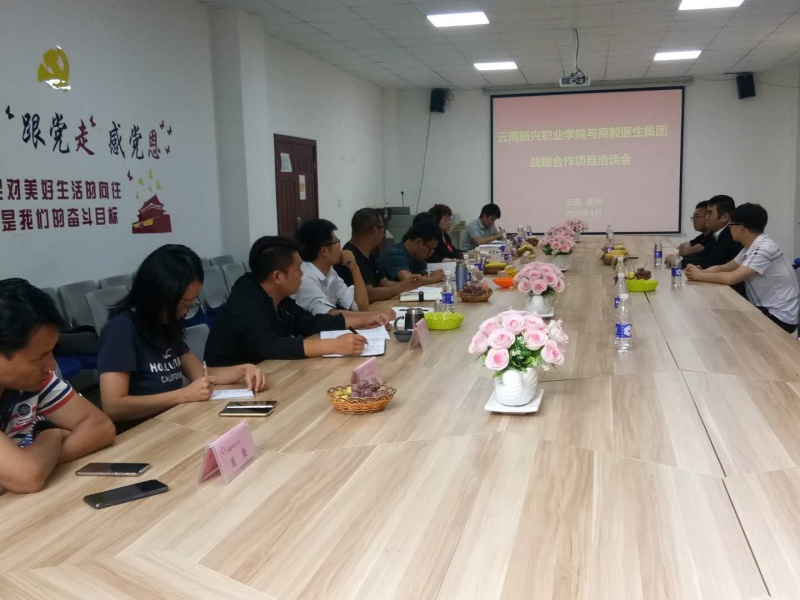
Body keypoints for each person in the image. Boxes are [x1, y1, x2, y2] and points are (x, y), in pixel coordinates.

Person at [98, 245, 267, 427]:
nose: (185, 311)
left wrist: (243, 369)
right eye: (181, 303)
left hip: (171, 421)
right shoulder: (122, 329)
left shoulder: (165, 324)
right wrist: (182, 395)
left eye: (190, 303)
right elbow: (113, 406)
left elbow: (201, 374)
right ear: (158, 294)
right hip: (140, 432)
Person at [0, 278, 115, 493]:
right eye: (40, 357)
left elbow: (101, 427)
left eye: (52, 352)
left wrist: (37, 463)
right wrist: (51, 436)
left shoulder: (33, 380)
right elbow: (28, 477)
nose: (51, 366)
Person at [205, 236, 391, 366]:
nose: (302, 274)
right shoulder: (246, 301)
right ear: (277, 277)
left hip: (266, 372)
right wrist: (333, 345)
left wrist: (364, 321)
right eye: (298, 269)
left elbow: (310, 322)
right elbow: (269, 346)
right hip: (230, 386)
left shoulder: (279, 296)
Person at [685, 203, 799, 333]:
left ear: (741, 228)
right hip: (766, 308)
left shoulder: (764, 249)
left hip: (780, 316)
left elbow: (731, 278)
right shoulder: (750, 246)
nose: (729, 228)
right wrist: (700, 272)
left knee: (721, 324)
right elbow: (724, 268)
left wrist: (700, 275)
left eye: (731, 225)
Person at [293, 218, 388, 317]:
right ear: (324, 251)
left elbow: (361, 307)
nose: (340, 246)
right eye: (336, 242)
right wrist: (373, 316)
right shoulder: (305, 278)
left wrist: (355, 268)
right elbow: (328, 316)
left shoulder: (330, 273)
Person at [333, 208, 421, 303]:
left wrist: (408, 284)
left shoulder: (369, 254)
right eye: (383, 229)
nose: (383, 233)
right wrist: (401, 287)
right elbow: (369, 294)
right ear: (374, 231)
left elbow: (384, 283)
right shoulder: (349, 257)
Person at [667, 195, 742, 270]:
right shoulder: (716, 234)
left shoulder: (730, 235)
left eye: (710, 213)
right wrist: (679, 259)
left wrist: (679, 261)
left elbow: (710, 262)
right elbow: (703, 254)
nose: (706, 217)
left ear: (725, 217)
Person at [378, 221, 446, 284]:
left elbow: (424, 274)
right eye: (429, 249)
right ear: (418, 241)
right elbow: (409, 280)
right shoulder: (395, 255)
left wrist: (432, 275)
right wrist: (434, 278)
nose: (430, 254)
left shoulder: (415, 257)